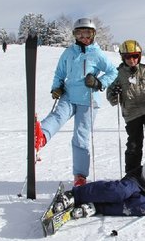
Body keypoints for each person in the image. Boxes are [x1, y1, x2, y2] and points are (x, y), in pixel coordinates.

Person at [35, 18, 118, 186]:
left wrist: (99, 82)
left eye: (87, 33)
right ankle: (41, 136)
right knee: (57, 116)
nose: (84, 37)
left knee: (80, 136)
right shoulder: (69, 52)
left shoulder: (97, 53)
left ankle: (80, 176)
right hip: (69, 94)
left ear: (93, 35)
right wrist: (56, 87)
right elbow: (59, 72)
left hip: (88, 99)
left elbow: (112, 72)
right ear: (75, 35)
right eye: (80, 34)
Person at [51, 131, 145, 218]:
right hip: (138, 183)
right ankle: (74, 195)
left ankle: (97, 207)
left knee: (142, 207)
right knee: (119, 191)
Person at [106, 39, 145, 177]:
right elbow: (111, 98)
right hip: (132, 113)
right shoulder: (117, 74)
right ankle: (132, 174)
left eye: (135, 56)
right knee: (134, 143)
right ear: (123, 57)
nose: (132, 60)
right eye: (128, 57)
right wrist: (114, 93)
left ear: (139, 56)